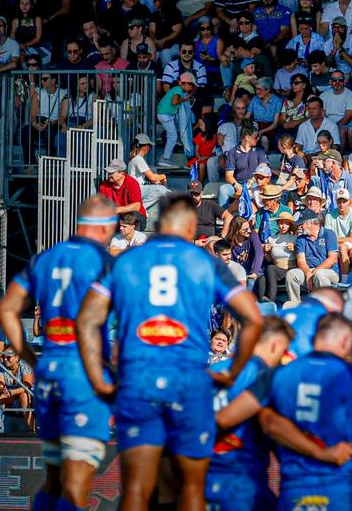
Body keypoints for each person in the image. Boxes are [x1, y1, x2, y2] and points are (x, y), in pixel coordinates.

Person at [75, 195, 263, 511]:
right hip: (188, 382)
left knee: (135, 488)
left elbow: (86, 320)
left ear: (159, 223)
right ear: (191, 226)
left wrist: (100, 377)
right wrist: (232, 372)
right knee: (190, 488)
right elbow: (253, 318)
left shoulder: (127, 261)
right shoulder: (206, 262)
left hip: (138, 383)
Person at [0, 195, 118, 511]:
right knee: (77, 485)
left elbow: (7, 309)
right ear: (105, 228)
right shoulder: (105, 264)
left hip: (49, 373)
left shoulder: (46, 258)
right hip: (84, 377)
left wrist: (30, 358)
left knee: (53, 480)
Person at [266, 313, 352, 511]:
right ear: (347, 340)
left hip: (295, 490)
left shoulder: (279, 375)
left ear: (315, 338)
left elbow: (268, 425)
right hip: (345, 488)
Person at [204, 316, 297, 511]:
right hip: (241, 482)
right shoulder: (265, 377)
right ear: (275, 345)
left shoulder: (211, 370)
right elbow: (272, 426)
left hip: (199, 478)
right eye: (283, 352)